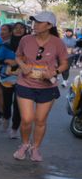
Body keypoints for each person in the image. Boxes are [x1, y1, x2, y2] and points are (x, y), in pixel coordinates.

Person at [12, 12, 69, 162]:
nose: (35, 24)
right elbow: (18, 56)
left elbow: (64, 64)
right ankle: (24, 144)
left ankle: (35, 148)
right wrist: (23, 65)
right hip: (25, 83)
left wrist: (54, 72)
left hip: (47, 87)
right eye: (34, 21)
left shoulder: (58, 43)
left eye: (39, 22)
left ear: (49, 25)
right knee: (26, 119)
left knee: (40, 120)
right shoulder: (26, 39)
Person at [0, 23, 25, 139]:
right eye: (16, 28)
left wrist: (18, 62)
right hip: (7, 78)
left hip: (23, 78)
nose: (18, 30)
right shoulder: (6, 45)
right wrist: (7, 61)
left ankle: (14, 128)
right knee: (7, 101)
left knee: (18, 105)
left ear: (26, 30)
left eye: (21, 28)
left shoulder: (29, 45)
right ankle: (6, 117)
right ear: (12, 31)